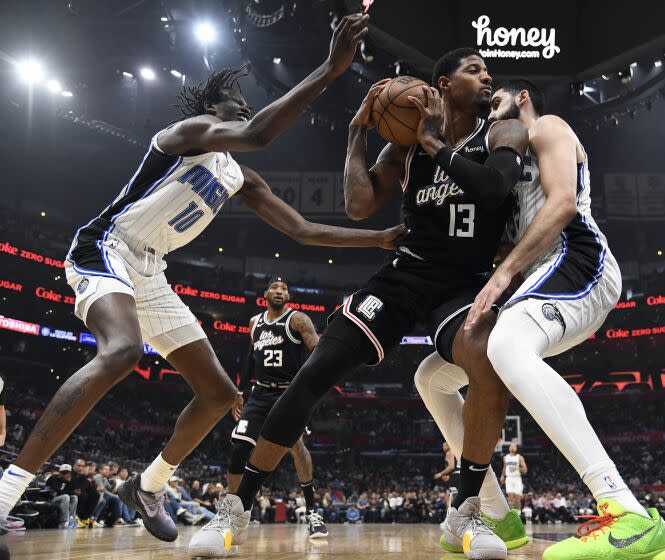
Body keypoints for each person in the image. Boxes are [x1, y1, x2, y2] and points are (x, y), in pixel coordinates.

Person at [0, 12, 404, 540]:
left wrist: (378, 239)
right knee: (123, 352)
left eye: (246, 107)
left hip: (151, 270)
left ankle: (147, 485)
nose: (247, 110)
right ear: (214, 111)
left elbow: (303, 230)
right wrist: (330, 69)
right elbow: (258, 133)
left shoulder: (239, 176)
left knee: (217, 395)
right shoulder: (188, 134)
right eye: (237, 105)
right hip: (107, 248)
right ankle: (8, 489)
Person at [188, 47, 528, 559]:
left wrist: (433, 142)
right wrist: (357, 133)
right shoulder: (406, 148)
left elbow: (493, 187)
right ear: (441, 84)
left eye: (487, 70)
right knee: (316, 368)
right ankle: (234, 509)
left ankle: (466, 513)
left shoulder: (502, 131)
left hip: (465, 283)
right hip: (405, 274)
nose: (487, 76)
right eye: (474, 69)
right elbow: (358, 204)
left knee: (485, 360)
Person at [413, 79, 665, 560]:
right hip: (541, 279)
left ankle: (628, 513)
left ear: (522, 99)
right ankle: (496, 512)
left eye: (495, 102)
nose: (489, 113)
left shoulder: (549, 128)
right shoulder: (508, 164)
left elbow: (562, 206)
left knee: (507, 346)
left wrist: (502, 276)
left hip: (578, 259)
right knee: (432, 377)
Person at [227, 278, 327, 539]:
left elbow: (317, 351)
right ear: (265, 294)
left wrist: (310, 389)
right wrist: (240, 391)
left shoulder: (297, 320)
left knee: (296, 447)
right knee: (239, 447)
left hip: (288, 393)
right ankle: (236, 512)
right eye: (275, 288)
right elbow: (250, 358)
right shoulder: (254, 323)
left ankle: (313, 511)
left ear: (289, 297)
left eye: (284, 289)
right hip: (260, 392)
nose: (279, 291)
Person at [500, 443, 527, 510]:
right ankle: (512, 513)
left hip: (517, 478)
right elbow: (504, 467)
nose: (512, 447)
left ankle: (518, 514)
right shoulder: (505, 457)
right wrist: (502, 476)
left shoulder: (519, 457)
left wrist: (517, 469)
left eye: (514, 446)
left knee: (517, 498)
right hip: (509, 478)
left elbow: (525, 469)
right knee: (510, 497)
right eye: (511, 446)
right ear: (509, 448)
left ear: (516, 448)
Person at [433, 442, 459, 508]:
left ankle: (451, 515)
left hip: (456, 476)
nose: (443, 447)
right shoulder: (455, 452)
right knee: (452, 496)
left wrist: (440, 474)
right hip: (458, 475)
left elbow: (451, 467)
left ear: (449, 445)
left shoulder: (449, 452)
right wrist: (448, 475)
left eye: (444, 445)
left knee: (449, 497)